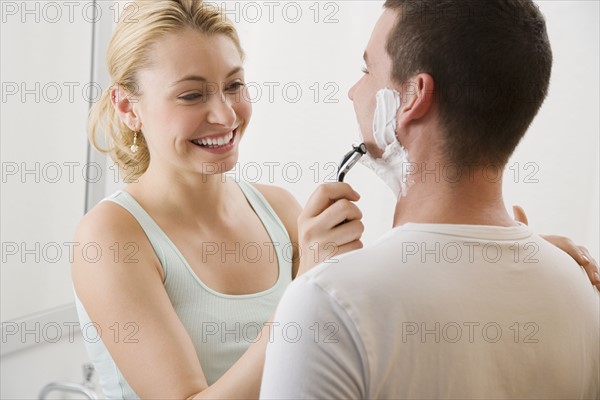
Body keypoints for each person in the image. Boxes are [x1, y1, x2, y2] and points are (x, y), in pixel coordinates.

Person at [71, 1, 597, 399]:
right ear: (127, 106)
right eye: (191, 95)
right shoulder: (110, 237)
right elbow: (326, 301)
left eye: (234, 85)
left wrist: (501, 254)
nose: (226, 115)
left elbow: (368, 296)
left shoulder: (277, 209)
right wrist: (306, 287)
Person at [260, 1, 600, 399]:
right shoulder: (580, 290)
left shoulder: (328, 303)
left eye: (367, 70)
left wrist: (319, 283)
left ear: (412, 97)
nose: (354, 92)